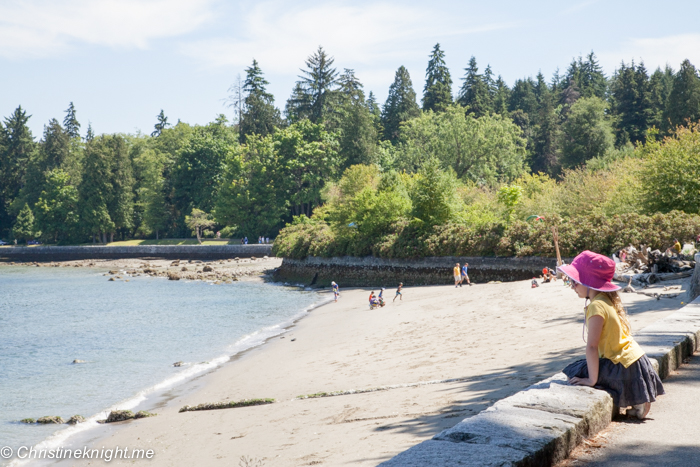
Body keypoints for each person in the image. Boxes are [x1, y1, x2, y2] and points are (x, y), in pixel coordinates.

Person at [558, 250, 664, 419]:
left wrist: (591, 380)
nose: (572, 285)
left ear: (588, 281)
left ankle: (637, 400)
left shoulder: (596, 306)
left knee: (577, 370)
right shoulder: (606, 300)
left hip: (623, 365)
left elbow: (592, 347)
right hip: (635, 361)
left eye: (575, 281)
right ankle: (638, 400)